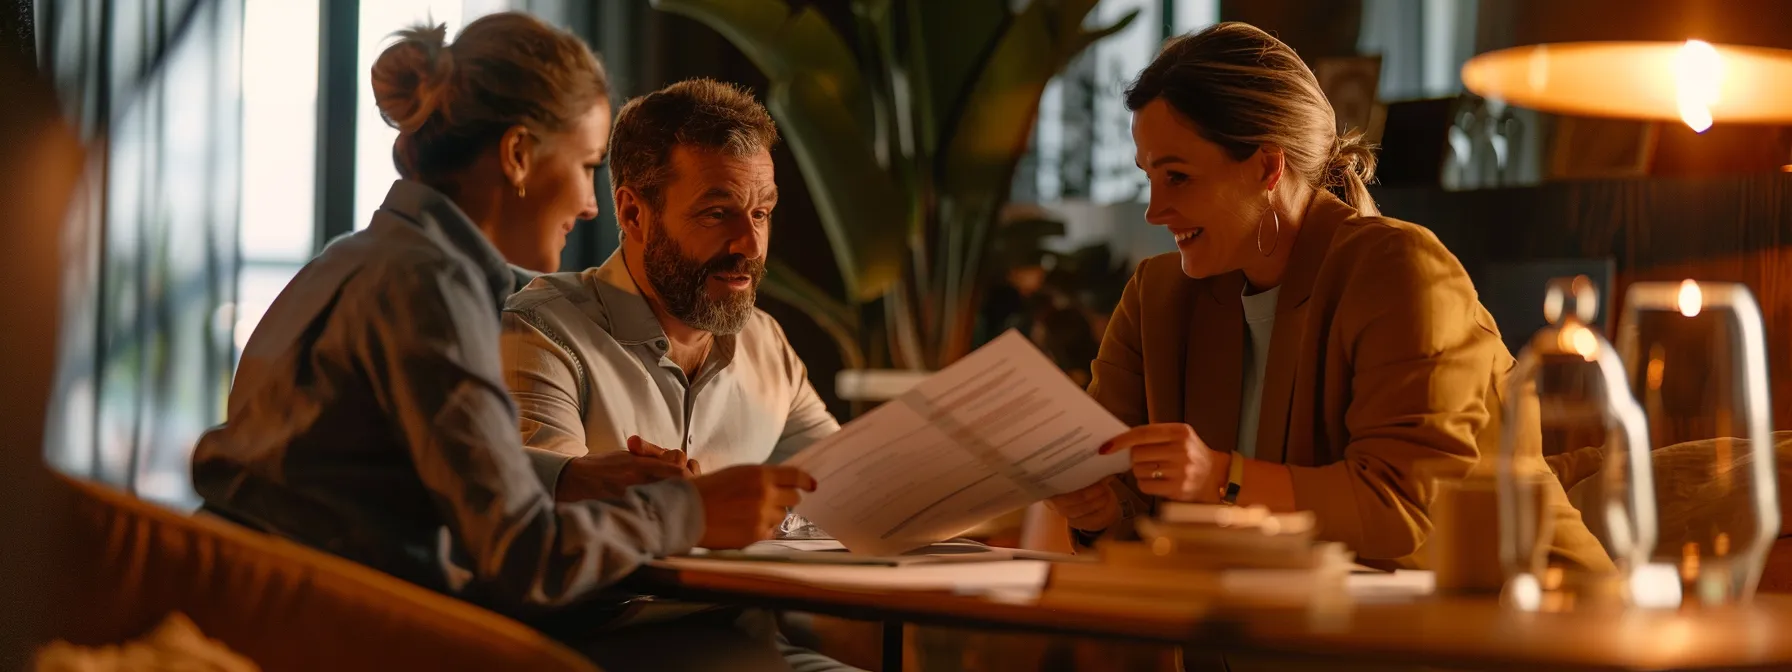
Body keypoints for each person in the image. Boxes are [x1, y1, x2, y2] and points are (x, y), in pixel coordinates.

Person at [189, 13, 813, 655]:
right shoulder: (429, 290)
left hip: (262, 617)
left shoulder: (365, 259)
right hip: (319, 641)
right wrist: (694, 512)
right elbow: (524, 562)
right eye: (585, 165)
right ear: (517, 155)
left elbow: (387, 468)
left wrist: (567, 479)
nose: (592, 203)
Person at [1044, 22, 1611, 573]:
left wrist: (1222, 476)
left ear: (1267, 167)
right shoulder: (1157, 299)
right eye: (1148, 177)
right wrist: (1102, 512)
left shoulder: (1401, 271)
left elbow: (1400, 507)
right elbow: (1133, 511)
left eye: (1178, 177)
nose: (1154, 210)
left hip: (1531, 623)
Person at [499, 77, 837, 483]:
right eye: (716, 213)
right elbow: (535, 517)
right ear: (633, 214)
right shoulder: (544, 332)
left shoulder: (766, 346)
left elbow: (852, 484)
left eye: (761, 213)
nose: (750, 245)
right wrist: (678, 509)